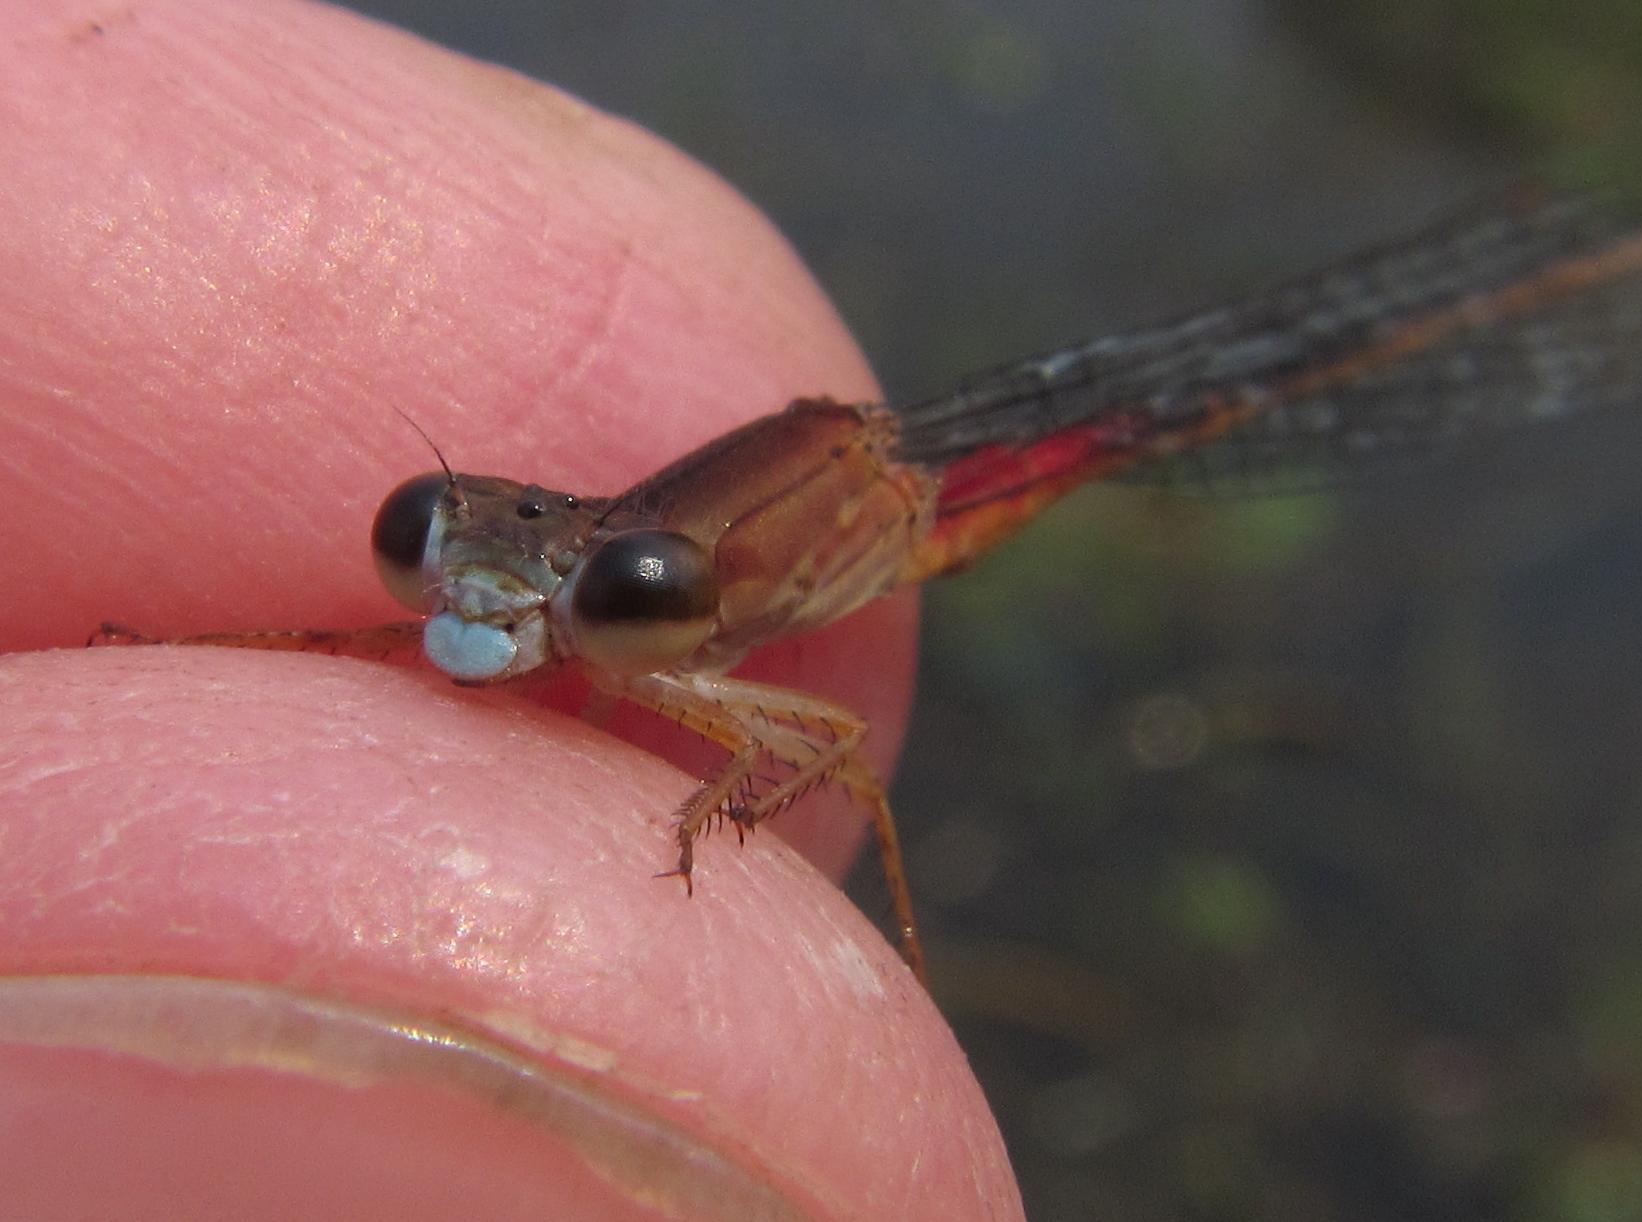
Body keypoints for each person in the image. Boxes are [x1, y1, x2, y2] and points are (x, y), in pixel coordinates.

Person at [0, 1, 1019, 1217]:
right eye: (425, 544)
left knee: (849, 765)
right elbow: (339, 635)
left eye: (611, 602)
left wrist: (708, 816)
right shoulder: (559, 580)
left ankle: (916, 966)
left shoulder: (685, 594)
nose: (477, 606)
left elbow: (832, 746)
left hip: (900, 492)